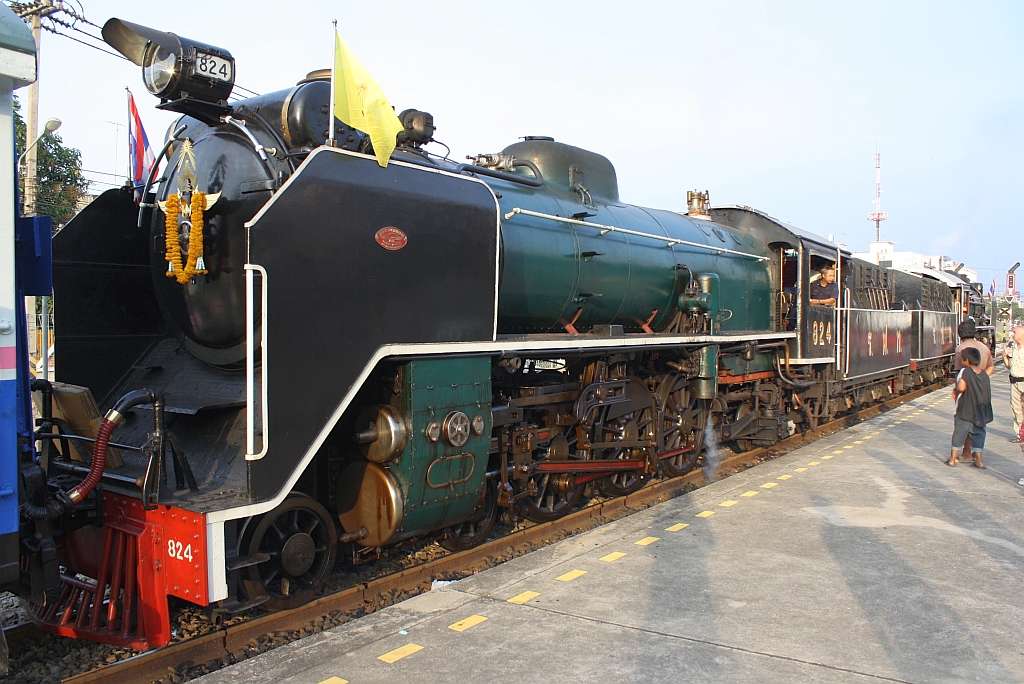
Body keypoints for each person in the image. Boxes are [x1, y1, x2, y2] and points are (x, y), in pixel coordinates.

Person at [947, 346, 993, 468]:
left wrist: (955, 390)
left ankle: (952, 459)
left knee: (959, 433)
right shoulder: (984, 374)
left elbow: (962, 387)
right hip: (980, 411)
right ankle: (979, 461)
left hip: (965, 410)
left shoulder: (965, 371)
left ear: (967, 360)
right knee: (979, 434)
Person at [1003, 325, 1024, 442]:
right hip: (1014, 381)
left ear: (1022, 335)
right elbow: (1009, 365)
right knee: (1016, 409)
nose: (1012, 335)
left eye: (1015, 333)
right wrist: (1004, 355)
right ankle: (1020, 435)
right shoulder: (1013, 347)